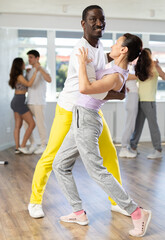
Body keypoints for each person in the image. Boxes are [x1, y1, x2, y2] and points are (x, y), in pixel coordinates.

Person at [28, 5, 127, 219]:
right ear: (83, 24)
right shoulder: (79, 50)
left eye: (102, 19)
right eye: (93, 19)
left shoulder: (99, 47)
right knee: (51, 156)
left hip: (90, 109)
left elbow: (104, 77)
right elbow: (91, 87)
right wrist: (117, 94)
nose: (99, 23)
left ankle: (117, 201)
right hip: (69, 110)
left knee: (109, 153)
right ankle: (35, 201)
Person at [53, 34, 152, 237]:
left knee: (96, 171)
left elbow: (85, 88)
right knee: (60, 165)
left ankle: (136, 211)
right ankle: (78, 212)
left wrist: (81, 63)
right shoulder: (115, 69)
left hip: (87, 120)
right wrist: (88, 63)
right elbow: (112, 88)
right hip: (81, 118)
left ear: (124, 50)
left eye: (117, 43)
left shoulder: (116, 75)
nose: (113, 46)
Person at [130, 48, 165, 159]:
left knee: (152, 126)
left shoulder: (152, 67)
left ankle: (158, 150)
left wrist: (157, 67)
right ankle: (133, 147)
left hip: (149, 101)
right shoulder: (142, 68)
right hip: (141, 100)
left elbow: (164, 77)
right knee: (138, 125)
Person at [25, 50, 52, 154]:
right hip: (29, 102)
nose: (29, 59)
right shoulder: (30, 70)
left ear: (37, 58)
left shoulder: (42, 69)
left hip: (39, 102)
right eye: (29, 58)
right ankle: (33, 144)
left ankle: (43, 145)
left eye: (31, 57)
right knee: (27, 124)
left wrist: (40, 69)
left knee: (40, 124)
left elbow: (49, 80)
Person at [9, 58, 36, 154]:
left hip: (16, 100)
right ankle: (23, 145)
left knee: (18, 125)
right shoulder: (20, 76)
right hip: (19, 101)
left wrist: (27, 73)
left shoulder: (18, 76)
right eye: (23, 63)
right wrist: (35, 72)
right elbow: (29, 84)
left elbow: (24, 83)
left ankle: (17, 148)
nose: (25, 64)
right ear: (20, 65)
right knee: (32, 124)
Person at [119, 63, 139, 158]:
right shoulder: (125, 70)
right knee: (130, 125)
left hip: (132, 96)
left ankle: (125, 147)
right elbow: (137, 76)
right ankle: (123, 149)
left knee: (131, 125)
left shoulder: (129, 68)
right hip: (132, 97)